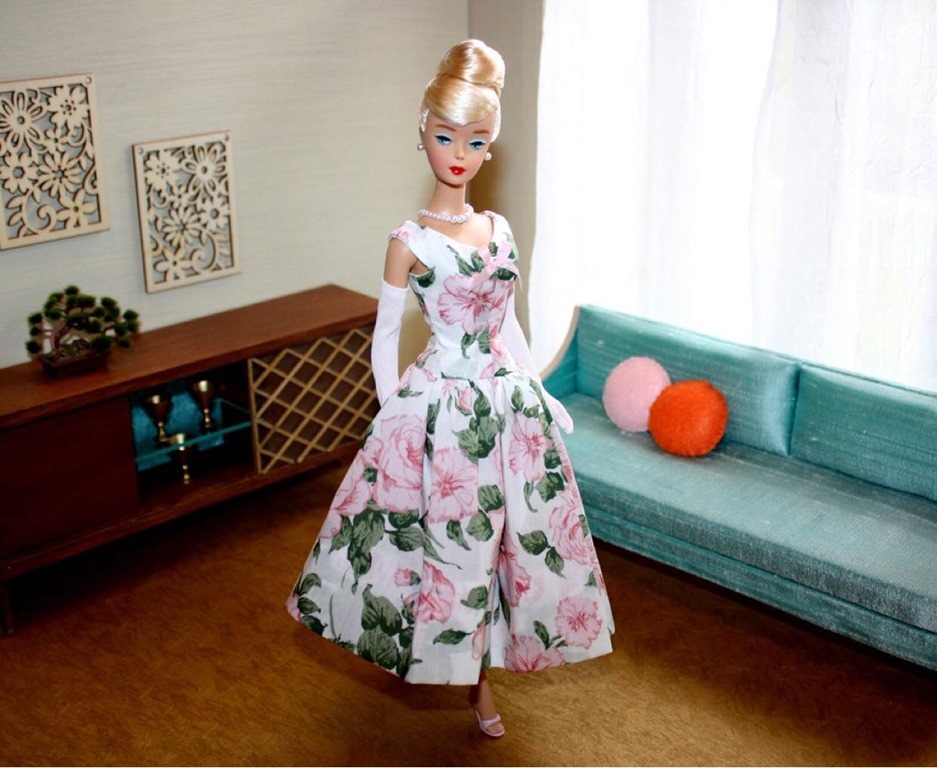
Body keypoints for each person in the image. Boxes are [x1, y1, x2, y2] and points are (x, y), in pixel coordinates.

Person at [287, 39, 614, 739]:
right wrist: (393, 421)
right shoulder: (409, 242)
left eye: (475, 140)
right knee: (448, 549)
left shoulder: (500, 230)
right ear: (423, 133)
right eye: (445, 137)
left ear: (490, 146)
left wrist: (542, 392)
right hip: (439, 409)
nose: (458, 153)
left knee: (510, 543)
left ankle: (482, 676)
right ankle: (466, 680)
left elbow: (509, 324)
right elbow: (383, 340)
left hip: (504, 406)